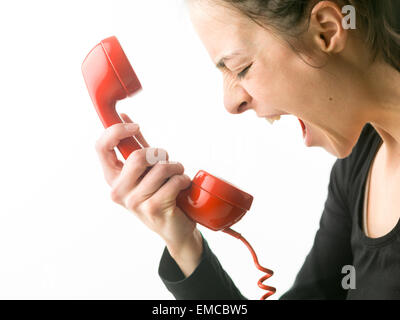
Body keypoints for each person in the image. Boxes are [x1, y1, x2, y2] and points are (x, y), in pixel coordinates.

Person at [94, 0, 400, 299]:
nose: (231, 103)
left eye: (241, 68)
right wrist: (184, 244)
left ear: (327, 30)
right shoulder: (360, 163)